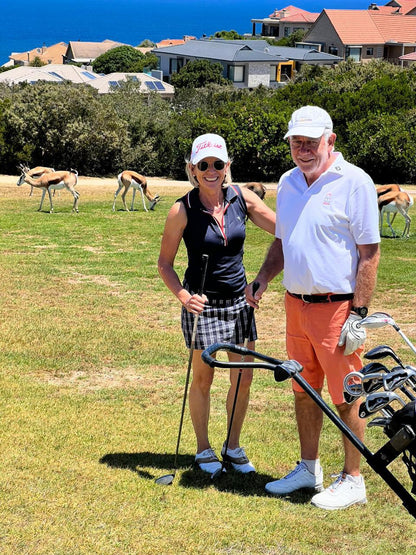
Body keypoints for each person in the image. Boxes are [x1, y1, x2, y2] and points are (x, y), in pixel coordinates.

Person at [246, 106, 380, 509]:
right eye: (296, 142)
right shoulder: (288, 182)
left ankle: (353, 478)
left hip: (337, 308)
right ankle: (309, 469)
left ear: (330, 140)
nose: (303, 149)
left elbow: (369, 254)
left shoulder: (354, 182)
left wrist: (358, 314)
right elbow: (284, 241)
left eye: (311, 141)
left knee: (346, 394)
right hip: (295, 304)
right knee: (303, 390)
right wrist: (264, 277)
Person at [158, 133, 276, 475]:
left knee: (243, 377)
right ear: (192, 169)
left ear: (228, 166)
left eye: (218, 164)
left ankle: (233, 446)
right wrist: (183, 295)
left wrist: (263, 278)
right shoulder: (182, 209)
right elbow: (164, 263)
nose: (211, 171)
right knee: (203, 380)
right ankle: (204, 449)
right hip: (202, 307)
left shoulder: (243, 198)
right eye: (203, 165)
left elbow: (285, 229)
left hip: (240, 304)